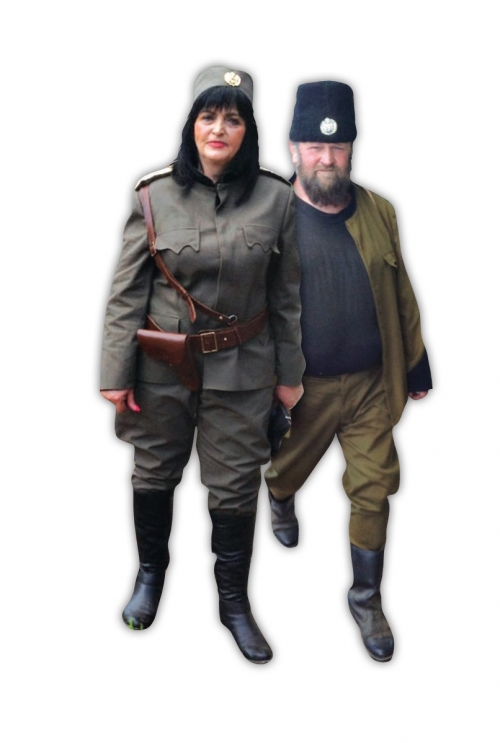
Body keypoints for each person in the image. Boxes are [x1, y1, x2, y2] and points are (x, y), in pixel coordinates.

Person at [100, 66, 305, 664]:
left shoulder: (276, 198)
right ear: (192, 124)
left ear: (248, 131)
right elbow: (126, 293)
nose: (219, 129)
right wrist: (114, 373)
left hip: (244, 368)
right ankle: (150, 577)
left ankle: (233, 602)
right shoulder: (154, 195)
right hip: (161, 366)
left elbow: (287, 296)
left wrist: (291, 376)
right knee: (153, 471)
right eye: (208, 116)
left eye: (232, 119)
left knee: (236, 484)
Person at [265, 81, 432, 662]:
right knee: (284, 468)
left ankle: (366, 598)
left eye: (337, 147)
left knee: (376, 486)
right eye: (314, 146)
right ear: (293, 148)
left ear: (352, 148)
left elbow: (401, 292)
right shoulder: (268, 215)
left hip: (369, 385)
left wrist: (417, 363)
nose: (326, 158)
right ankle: (280, 496)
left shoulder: (380, 211)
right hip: (300, 390)